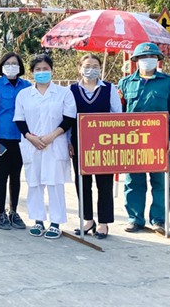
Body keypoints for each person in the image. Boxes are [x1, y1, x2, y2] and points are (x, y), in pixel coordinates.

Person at [118, 42, 170, 233]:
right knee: (133, 182)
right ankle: (135, 219)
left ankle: (159, 220)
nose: (147, 60)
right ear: (136, 60)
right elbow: (117, 114)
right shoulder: (125, 83)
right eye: (143, 57)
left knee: (160, 182)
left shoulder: (169, 83)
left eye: (152, 57)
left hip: (160, 143)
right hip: (132, 142)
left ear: (158, 60)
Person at [13, 53, 76, 240]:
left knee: (55, 183)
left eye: (45, 69)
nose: (42, 72)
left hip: (55, 143)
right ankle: (38, 220)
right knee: (34, 183)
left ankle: (55, 222)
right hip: (32, 144)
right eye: (38, 69)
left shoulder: (64, 93)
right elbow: (19, 119)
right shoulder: (24, 94)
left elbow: (69, 118)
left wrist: (51, 136)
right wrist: (30, 137)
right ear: (32, 72)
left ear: (52, 70)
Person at [69, 53, 121, 239]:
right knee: (82, 182)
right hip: (80, 143)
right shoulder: (71, 90)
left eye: (95, 66)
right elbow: (67, 117)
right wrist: (68, 141)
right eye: (87, 66)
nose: (91, 69)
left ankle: (103, 223)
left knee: (104, 183)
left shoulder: (109, 88)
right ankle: (88, 220)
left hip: (104, 144)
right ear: (79, 68)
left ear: (100, 69)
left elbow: (117, 115)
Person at [0, 52, 32, 231]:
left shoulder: (27, 86)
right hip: (1, 138)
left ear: (20, 67)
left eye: (14, 63)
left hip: (21, 139)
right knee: (2, 175)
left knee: (16, 176)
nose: (11, 66)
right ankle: (1, 212)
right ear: (2, 66)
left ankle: (14, 211)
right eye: (7, 63)